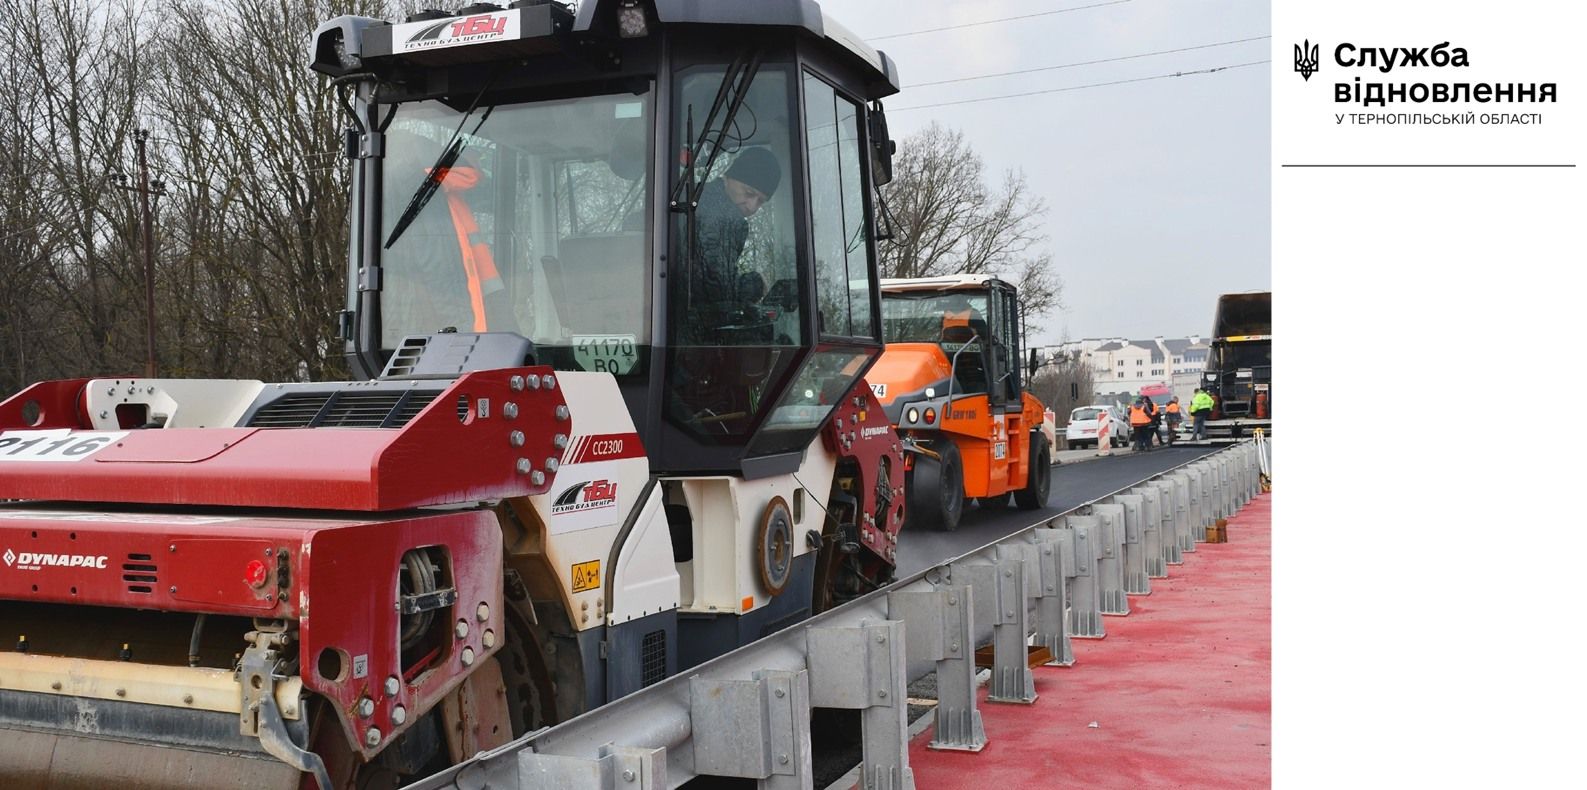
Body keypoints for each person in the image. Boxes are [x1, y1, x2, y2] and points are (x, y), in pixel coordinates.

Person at [682, 147, 781, 339]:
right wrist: (756, 285)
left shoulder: (700, 199)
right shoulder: (720, 217)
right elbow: (718, 289)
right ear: (729, 177)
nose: (752, 206)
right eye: (748, 193)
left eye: (760, 201)